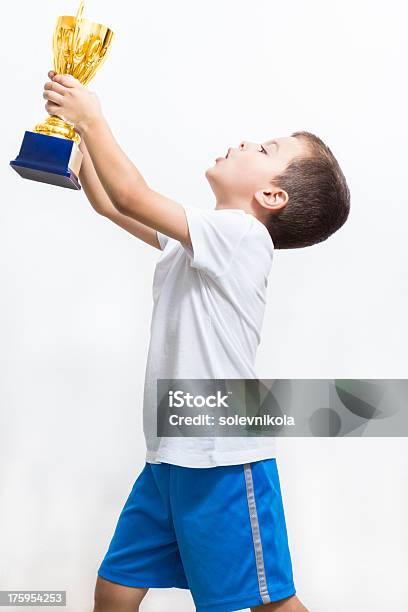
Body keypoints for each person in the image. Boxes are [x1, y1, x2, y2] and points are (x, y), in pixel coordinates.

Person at [43, 69, 350, 612]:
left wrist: (92, 117)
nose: (242, 142)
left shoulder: (242, 237)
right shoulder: (200, 239)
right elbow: (114, 205)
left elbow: (133, 195)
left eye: (263, 147)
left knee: (270, 602)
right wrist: (78, 143)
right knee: (116, 585)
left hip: (223, 461)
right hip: (171, 457)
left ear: (271, 194)